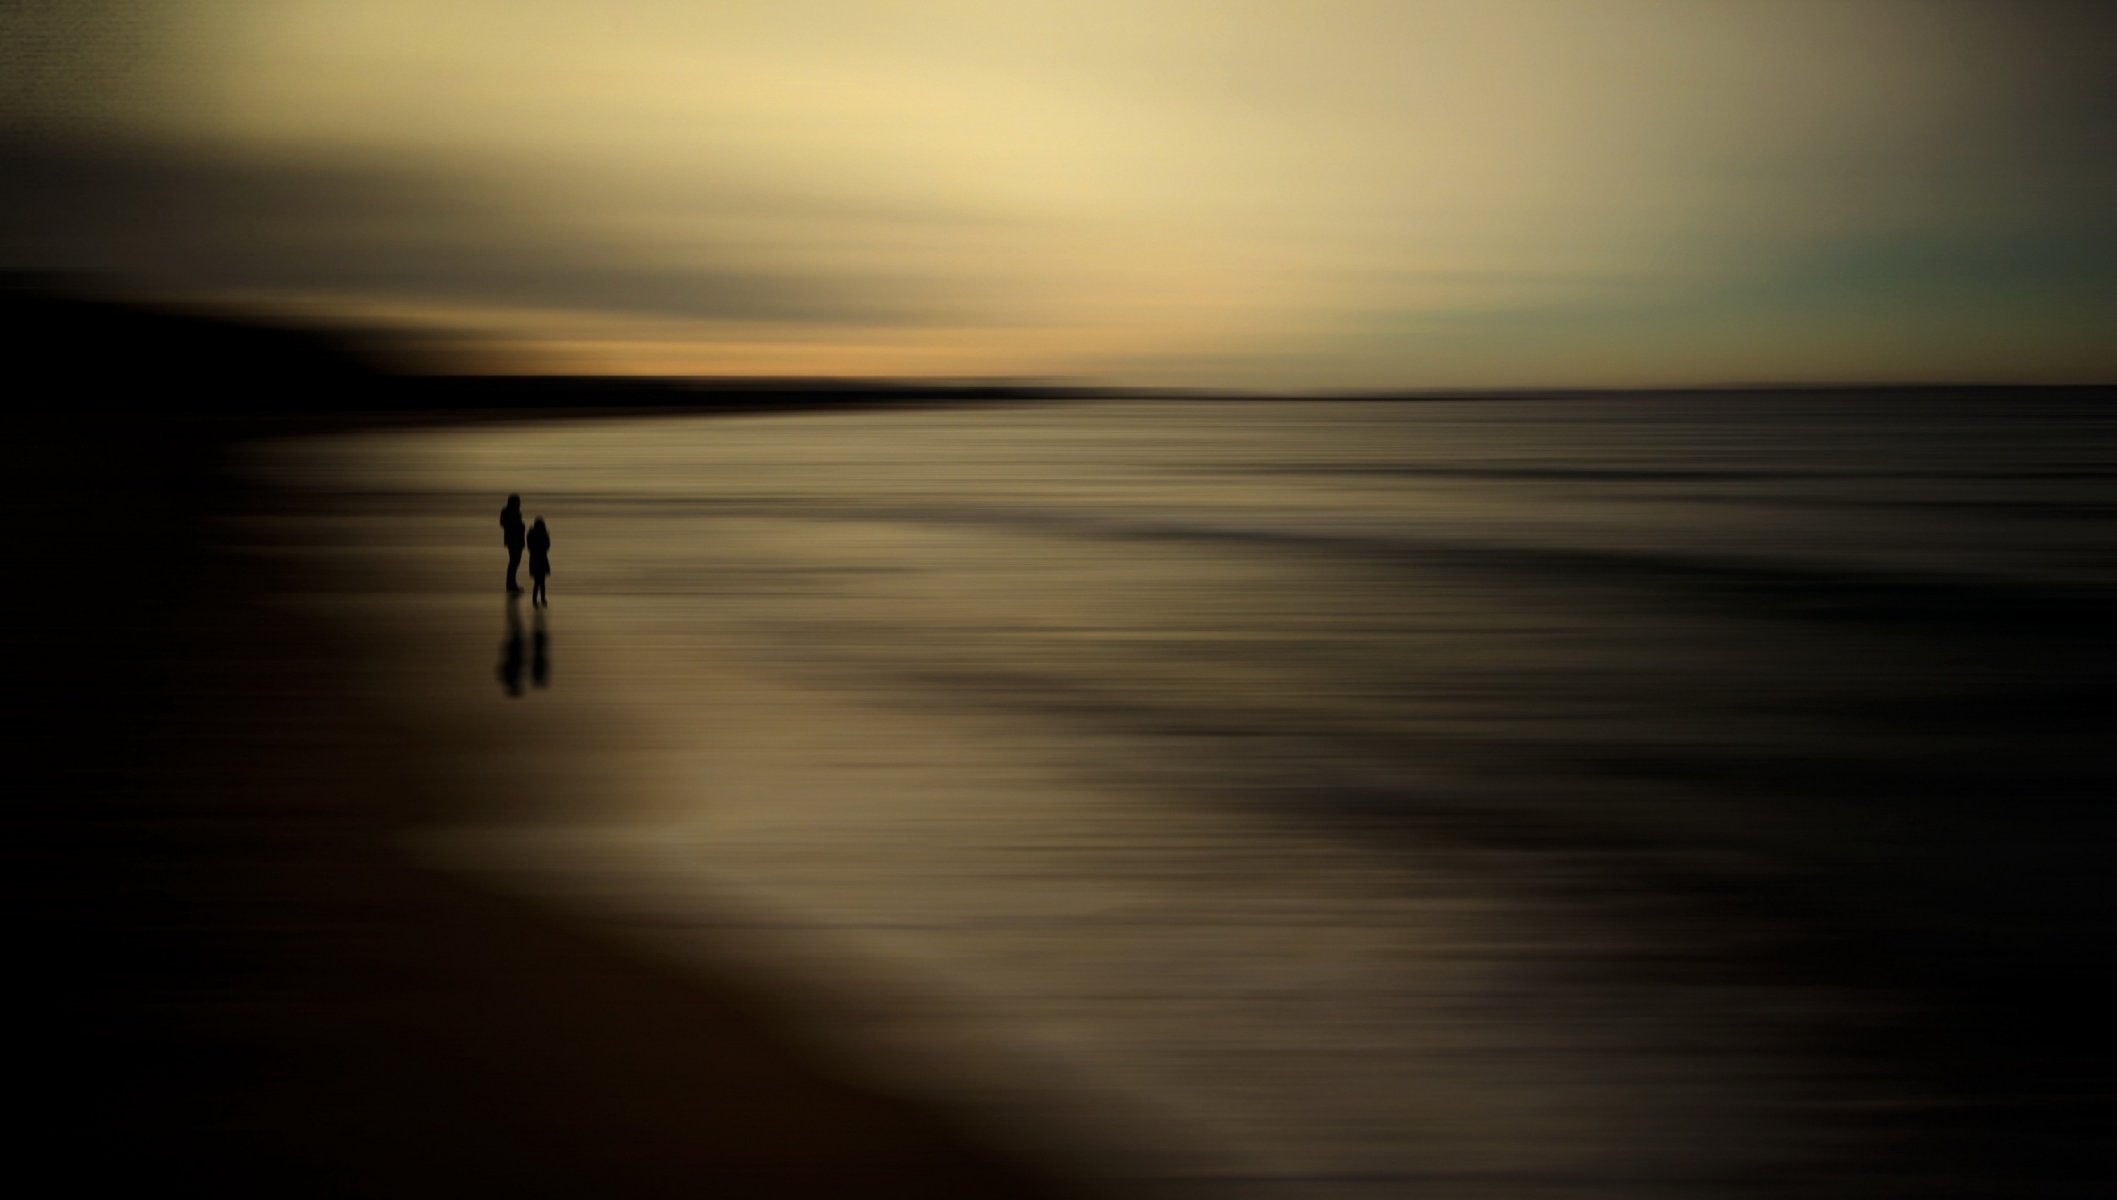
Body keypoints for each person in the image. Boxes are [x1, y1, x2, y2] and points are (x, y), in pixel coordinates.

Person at [500, 494, 527, 594]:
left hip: (515, 539)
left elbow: (504, 523)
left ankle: (511, 583)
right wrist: (518, 525)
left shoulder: (512, 511)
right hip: (514, 540)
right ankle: (510, 584)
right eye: (518, 501)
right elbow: (504, 523)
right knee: (514, 561)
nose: (519, 503)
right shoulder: (509, 511)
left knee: (515, 561)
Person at [526, 516, 552, 608]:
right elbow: (548, 545)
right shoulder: (544, 534)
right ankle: (541, 599)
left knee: (537, 582)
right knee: (541, 582)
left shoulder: (531, 534)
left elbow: (529, 547)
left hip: (534, 559)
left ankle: (536, 599)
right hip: (542, 559)